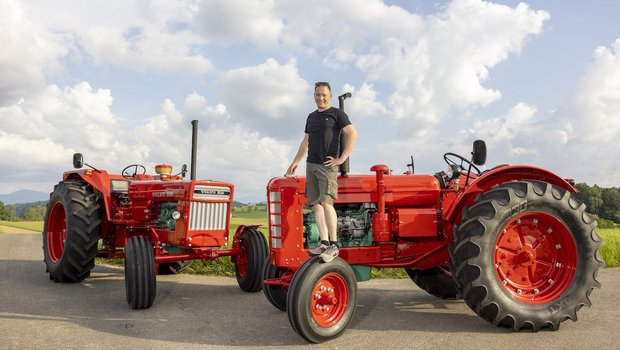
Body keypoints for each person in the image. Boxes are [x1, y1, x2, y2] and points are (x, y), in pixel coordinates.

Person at [286, 81, 358, 263]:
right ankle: (324, 243)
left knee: (327, 203)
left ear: (330, 96)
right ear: (314, 96)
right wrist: (295, 162)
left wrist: (341, 159)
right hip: (311, 165)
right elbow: (306, 142)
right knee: (316, 204)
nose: (321, 97)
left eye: (324, 94)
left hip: (328, 166)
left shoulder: (337, 114)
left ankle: (334, 244)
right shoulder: (311, 117)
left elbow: (352, 134)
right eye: (318, 94)